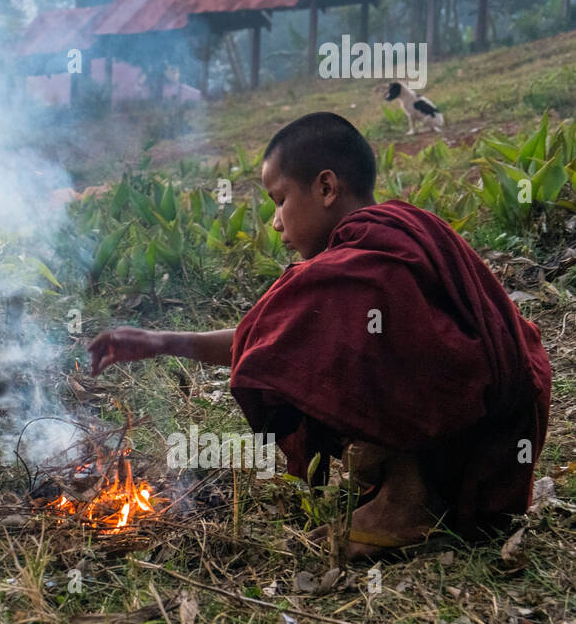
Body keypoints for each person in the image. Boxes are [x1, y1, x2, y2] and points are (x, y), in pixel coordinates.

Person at [88, 112, 551, 556]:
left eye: (279, 199)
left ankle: (411, 502)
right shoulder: (397, 229)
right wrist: (162, 342)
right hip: (507, 407)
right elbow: (268, 337)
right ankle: (412, 483)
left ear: (326, 186)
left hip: (485, 412)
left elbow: (277, 343)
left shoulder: (364, 265)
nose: (275, 223)